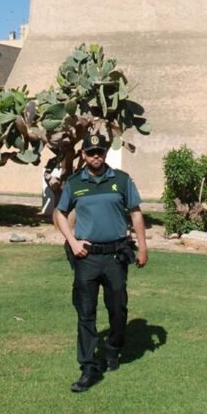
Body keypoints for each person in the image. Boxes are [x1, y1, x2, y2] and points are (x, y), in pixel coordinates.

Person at [55, 132, 148, 393]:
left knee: (118, 308)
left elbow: (136, 213)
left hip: (116, 256)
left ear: (105, 153)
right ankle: (87, 367)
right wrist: (73, 242)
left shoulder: (121, 180)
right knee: (85, 312)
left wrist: (143, 246)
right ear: (83, 155)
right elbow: (59, 213)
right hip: (87, 257)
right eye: (91, 152)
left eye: (100, 152)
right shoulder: (75, 183)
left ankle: (113, 348)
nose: (96, 156)